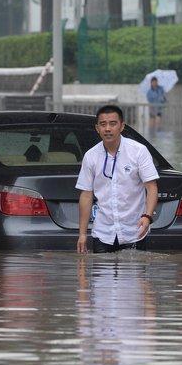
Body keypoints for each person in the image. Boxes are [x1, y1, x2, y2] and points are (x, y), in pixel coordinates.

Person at [76, 105, 159, 254]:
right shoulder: (91, 156)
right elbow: (86, 195)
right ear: (97, 128)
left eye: (113, 123)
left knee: (135, 275)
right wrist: (82, 234)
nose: (108, 129)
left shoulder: (139, 151)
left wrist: (147, 216)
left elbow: (152, 187)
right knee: (101, 275)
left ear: (122, 126)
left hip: (135, 232)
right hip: (102, 233)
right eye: (103, 124)